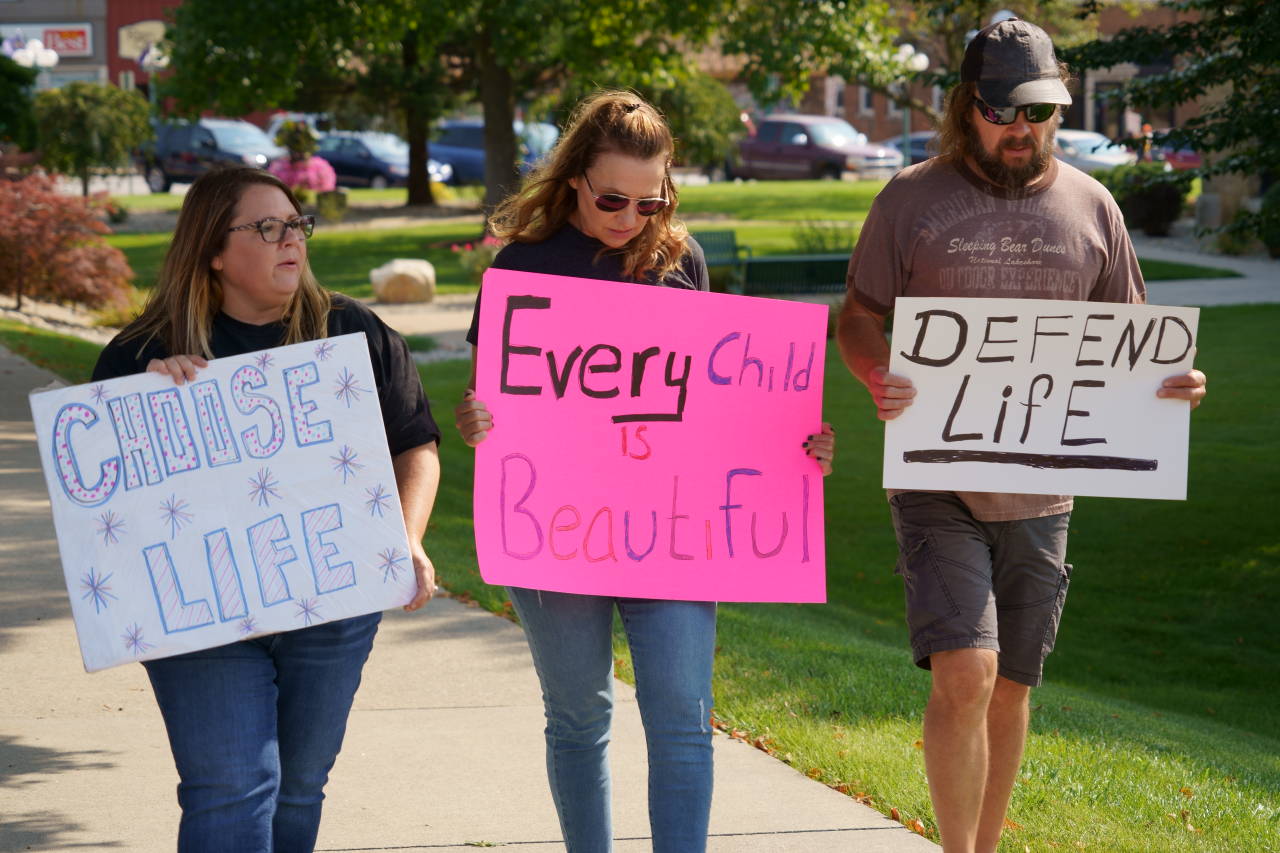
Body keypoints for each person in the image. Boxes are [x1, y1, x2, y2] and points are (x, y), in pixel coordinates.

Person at [835, 19, 1206, 853]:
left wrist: (1171, 385)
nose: (1022, 130)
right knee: (965, 671)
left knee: (1010, 684)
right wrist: (874, 369)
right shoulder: (910, 200)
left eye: (1037, 113)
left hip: (1043, 484)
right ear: (969, 108)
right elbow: (857, 316)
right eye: (1005, 113)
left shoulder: (1093, 206)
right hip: (936, 473)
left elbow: (1130, 346)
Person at [453, 91, 835, 853]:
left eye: (650, 200)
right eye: (612, 199)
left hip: (670, 526)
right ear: (573, 183)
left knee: (684, 717)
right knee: (578, 715)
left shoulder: (679, 258)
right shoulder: (524, 266)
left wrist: (794, 441)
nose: (630, 217)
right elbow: (495, 400)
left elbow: (718, 396)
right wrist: (477, 422)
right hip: (555, 531)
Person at [91, 165, 442, 852]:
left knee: (297, 785)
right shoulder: (140, 356)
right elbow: (101, 502)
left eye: (296, 224)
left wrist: (408, 538)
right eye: (267, 227)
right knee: (231, 785)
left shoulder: (351, 332)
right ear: (213, 251)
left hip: (334, 605)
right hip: (201, 616)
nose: (292, 240)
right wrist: (139, 410)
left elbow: (416, 445)